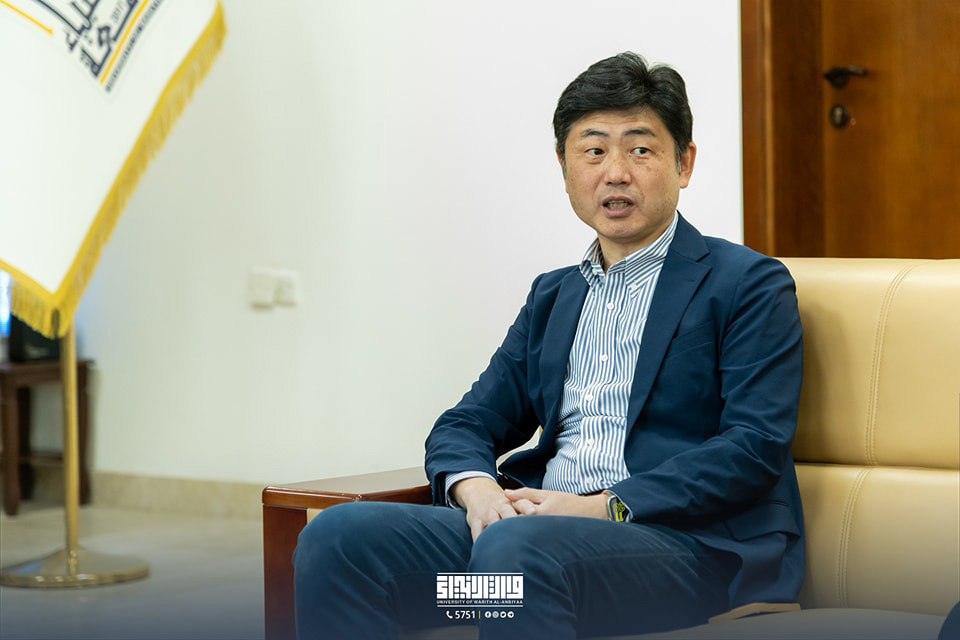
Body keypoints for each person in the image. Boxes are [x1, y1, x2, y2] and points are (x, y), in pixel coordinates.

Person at [293, 51, 805, 640]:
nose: (616, 173)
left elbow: (752, 447)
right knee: (340, 541)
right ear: (564, 167)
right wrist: (476, 489)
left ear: (684, 164)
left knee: (516, 556)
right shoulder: (555, 296)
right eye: (593, 151)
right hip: (522, 560)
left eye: (640, 150)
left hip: (679, 557)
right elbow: (468, 421)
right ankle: (478, 594)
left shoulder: (746, 283)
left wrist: (605, 505)